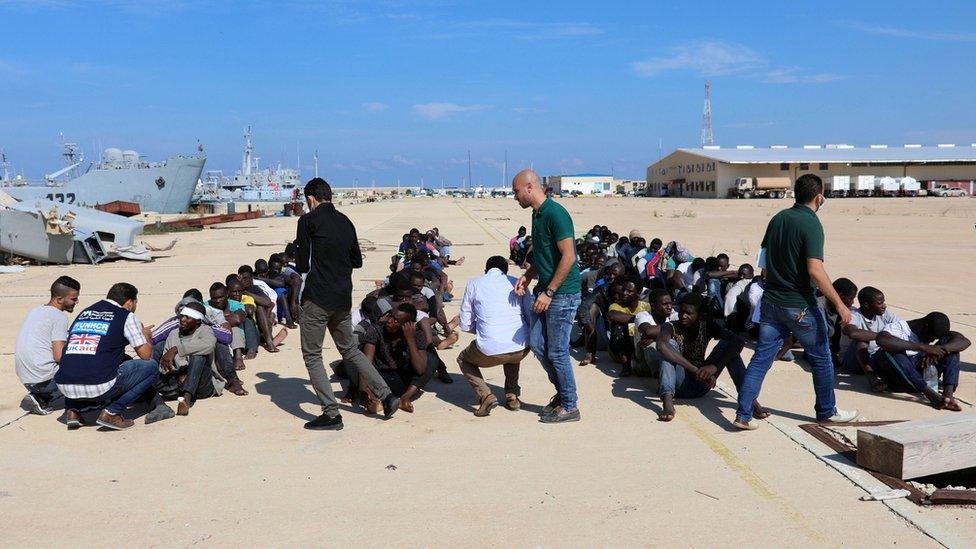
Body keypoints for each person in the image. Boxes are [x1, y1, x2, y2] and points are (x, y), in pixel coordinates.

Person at [734, 174, 857, 430]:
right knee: (821, 357)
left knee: (761, 359)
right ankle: (826, 411)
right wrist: (840, 304)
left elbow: (764, 264)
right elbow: (815, 270)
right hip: (799, 304)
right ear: (818, 197)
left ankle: (743, 415)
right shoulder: (811, 223)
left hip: (771, 303)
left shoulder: (778, 219)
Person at [296, 177, 400, 430]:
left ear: (311, 199)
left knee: (312, 355)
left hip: (318, 298)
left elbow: (301, 265)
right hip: (342, 298)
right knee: (350, 350)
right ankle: (386, 395)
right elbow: (357, 261)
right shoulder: (345, 221)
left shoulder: (308, 220)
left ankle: (331, 413)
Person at [512, 169, 582, 424]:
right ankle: (563, 394)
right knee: (538, 344)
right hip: (545, 289)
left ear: (530, 187)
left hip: (562, 294)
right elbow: (546, 255)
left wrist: (550, 292)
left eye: (517, 192)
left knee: (558, 352)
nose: (515, 197)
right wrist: (529, 274)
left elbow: (569, 257)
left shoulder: (555, 213)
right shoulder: (537, 214)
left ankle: (569, 405)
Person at [54, 282, 161, 430]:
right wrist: (145, 336)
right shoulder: (126, 316)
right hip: (97, 385)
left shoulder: (85, 312)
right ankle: (113, 412)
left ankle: (74, 411)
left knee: (85, 358)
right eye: (135, 303)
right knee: (151, 367)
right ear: (129, 302)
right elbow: (146, 355)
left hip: (64, 385)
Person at [656, 294, 763, 422]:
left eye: (689, 313)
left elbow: (738, 341)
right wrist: (696, 370)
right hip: (678, 384)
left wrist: (715, 366)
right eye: (681, 312)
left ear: (700, 315)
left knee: (728, 346)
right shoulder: (671, 326)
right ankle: (668, 403)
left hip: (703, 384)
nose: (683, 316)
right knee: (669, 346)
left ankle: (749, 399)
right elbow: (661, 346)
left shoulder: (707, 326)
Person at [457, 256, 530, 416]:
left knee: (463, 359)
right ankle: (512, 396)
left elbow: (465, 324)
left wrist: (483, 329)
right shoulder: (518, 282)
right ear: (506, 271)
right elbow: (528, 316)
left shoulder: (474, 283)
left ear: (486, 271)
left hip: (489, 350)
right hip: (522, 348)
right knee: (512, 350)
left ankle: (485, 395)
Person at [874, 312, 970, 411]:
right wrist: (924, 348)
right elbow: (881, 340)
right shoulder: (898, 328)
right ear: (925, 327)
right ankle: (932, 396)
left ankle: (948, 395)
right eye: (933, 336)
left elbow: (965, 341)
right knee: (890, 352)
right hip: (901, 378)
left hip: (923, 373)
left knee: (952, 349)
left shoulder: (928, 333)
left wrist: (940, 349)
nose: (932, 340)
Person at [15, 276, 80, 415]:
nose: (77, 302)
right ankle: (44, 394)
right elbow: (59, 356)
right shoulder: (59, 316)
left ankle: (39, 396)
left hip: (26, 378)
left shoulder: (35, 311)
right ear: (59, 299)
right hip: (43, 380)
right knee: (89, 368)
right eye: (73, 299)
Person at [361, 303, 438, 412]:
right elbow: (365, 364)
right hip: (380, 379)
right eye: (390, 316)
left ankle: (405, 398)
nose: (389, 321)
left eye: (396, 320)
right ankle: (376, 401)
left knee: (431, 360)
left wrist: (410, 339)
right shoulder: (376, 330)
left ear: (407, 325)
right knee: (356, 362)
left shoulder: (417, 334)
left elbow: (420, 370)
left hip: (403, 380)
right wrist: (365, 392)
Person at [155, 301, 217, 416]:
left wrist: (176, 349)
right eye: (181, 316)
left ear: (198, 321)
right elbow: (164, 363)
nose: (182, 319)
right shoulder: (173, 334)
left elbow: (209, 345)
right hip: (178, 383)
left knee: (198, 355)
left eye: (187, 317)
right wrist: (177, 374)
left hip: (202, 386)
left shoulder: (205, 330)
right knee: (151, 372)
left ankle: (187, 399)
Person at [839, 286, 899, 392]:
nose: (884, 306)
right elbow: (853, 333)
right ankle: (872, 378)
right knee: (861, 339)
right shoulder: (853, 316)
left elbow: (900, 328)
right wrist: (883, 337)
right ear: (866, 305)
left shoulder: (885, 313)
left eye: (883, 302)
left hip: (875, 357)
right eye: (879, 303)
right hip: (853, 362)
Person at [606, 276, 649, 377]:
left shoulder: (646, 306)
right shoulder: (616, 306)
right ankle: (626, 365)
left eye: (629, 291)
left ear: (638, 293)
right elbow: (612, 315)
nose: (624, 293)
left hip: (638, 345)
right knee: (620, 326)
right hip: (619, 351)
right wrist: (639, 319)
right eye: (623, 289)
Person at [631, 288, 677, 378]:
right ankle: (660, 376)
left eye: (670, 303)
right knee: (650, 344)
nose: (669, 307)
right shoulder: (642, 315)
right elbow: (648, 331)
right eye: (664, 304)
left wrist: (656, 336)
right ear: (653, 305)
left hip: (665, 357)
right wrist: (672, 329)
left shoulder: (673, 315)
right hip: (642, 363)